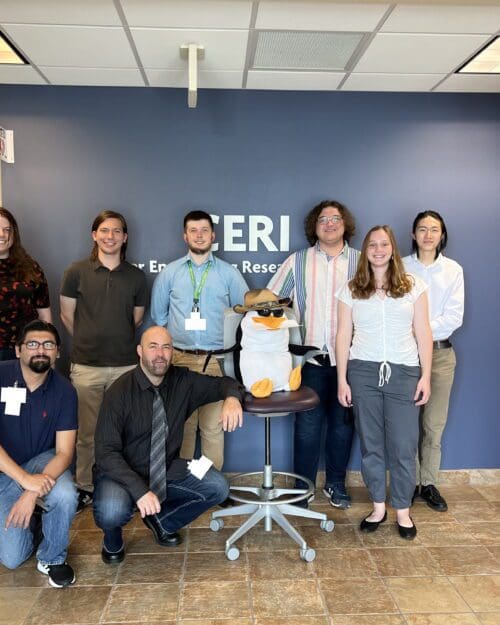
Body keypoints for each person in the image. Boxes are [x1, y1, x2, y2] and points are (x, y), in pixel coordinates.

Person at [93, 325, 244, 564]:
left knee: (218, 484)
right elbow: (105, 453)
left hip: (166, 467)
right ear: (140, 351)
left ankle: (163, 521)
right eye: (153, 347)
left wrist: (233, 398)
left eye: (166, 347)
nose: (160, 354)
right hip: (121, 473)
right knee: (112, 510)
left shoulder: (183, 381)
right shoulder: (119, 392)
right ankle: (112, 539)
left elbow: (223, 383)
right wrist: (140, 491)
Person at [336, 225, 432, 540]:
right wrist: (342, 380)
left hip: (404, 372)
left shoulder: (414, 286)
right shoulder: (351, 288)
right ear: (365, 251)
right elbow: (342, 336)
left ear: (392, 248)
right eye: (372, 245)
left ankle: (402, 510)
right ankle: (378, 507)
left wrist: (426, 376)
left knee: (404, 445)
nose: (378, 249)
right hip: (362, 372)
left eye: (384, 244)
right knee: (371, 445)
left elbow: (424, 333)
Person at [267, 200, 359, 508]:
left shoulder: (362, 263)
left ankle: (335, 484)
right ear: (314, 225)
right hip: (311, 360)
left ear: (345, 224)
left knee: (343, 426)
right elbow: (273, 301)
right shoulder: (298, 261)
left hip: (352, 360)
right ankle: (301, 489)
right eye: (323, 219)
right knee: (307, 428)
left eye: (336, 218)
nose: (329, 223)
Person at [60, 210, 147, 511]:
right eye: (104, 231)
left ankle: (126, 484)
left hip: (125, 365)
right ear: (94, 235)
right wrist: (90, 340)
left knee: (128, 430)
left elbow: (135, 320)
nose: (110, 236)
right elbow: (66, 315)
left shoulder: (136, 276)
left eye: (117, 231)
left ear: (125, 237)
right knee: (87, 431)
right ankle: (85, 485)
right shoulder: (76, 271)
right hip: (86, 366)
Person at [150, 210, 248, 471]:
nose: (199, 235)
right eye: (193, 230)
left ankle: (210, 489)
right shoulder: (170, 273)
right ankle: (181, 487)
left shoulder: (228, 274)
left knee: (212, 428)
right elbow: (159, 318)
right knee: (182, 427)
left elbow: (244, 315)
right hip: (179, 361)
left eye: (204, 230)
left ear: (213, 235)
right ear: (185, 236)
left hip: (215, 361)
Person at [0, 321, 78, 587]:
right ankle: (36, 521)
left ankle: (53, 556)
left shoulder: (65, 391)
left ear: (57, 352)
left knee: (66, 493)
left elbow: (64, 453)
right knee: (12, 558)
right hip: (5, 471)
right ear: (18, 350)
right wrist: (24, 480)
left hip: (43, 462)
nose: (40, 350)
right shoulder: (0, 376)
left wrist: (32, 490)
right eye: (32, 344)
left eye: (48, 344)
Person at [404, 211, 464, 512]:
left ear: (442, 235)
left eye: (434, 229)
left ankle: (427, 483)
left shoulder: (453, 270)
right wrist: (415, 333)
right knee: (406, 426)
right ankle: (409, 483)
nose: (428, 235)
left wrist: (422, 331)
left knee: (433, 424)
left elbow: (454, 317)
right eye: (422, 229)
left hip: (440, 356)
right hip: (405, 355)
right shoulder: (400, 267)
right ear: (413, 234)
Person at [0, 207, 52, 361]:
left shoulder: (31, 267)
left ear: (13, 234)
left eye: (7, 229)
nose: (2, 234)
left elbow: (44, 313)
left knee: (24, 386)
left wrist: (48, 347)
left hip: (25, 349)